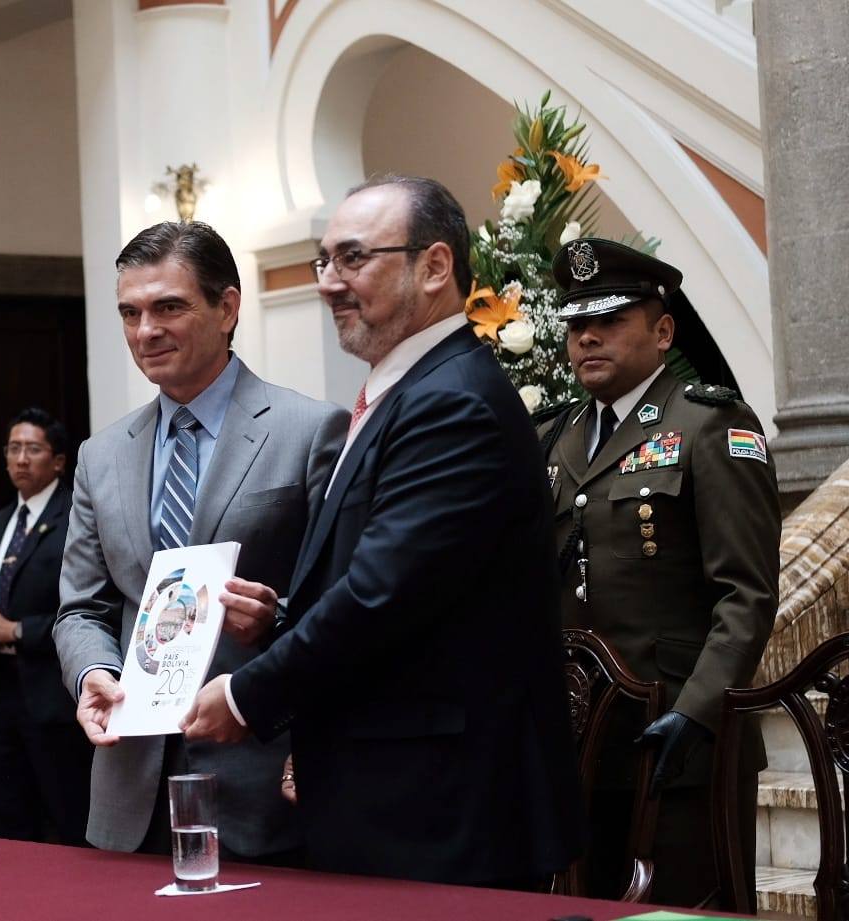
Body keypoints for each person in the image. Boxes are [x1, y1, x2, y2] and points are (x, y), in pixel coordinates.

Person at [181, 175, 584, 888]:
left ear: (434, 266)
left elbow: (380, 596)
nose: (329, 283)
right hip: (391, 795)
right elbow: (407, 581)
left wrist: (247, 695)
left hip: (438, 809)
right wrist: (279, 618)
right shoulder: (408, 391)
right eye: (324, 261)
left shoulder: (450, 402)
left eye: (354, 258)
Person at [51, 220, 348, 862]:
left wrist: (275, 618)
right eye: (129, 313)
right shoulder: (100, 455)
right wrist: (93, 674)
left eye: (169, 307)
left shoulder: (309, 431)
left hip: (259, 775)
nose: (145, 331)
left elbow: (340, 601)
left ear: (228, 307)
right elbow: (81, 607)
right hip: (131, 786)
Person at [538, 237, 780, 906]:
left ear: (662, 329)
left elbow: (747, 594)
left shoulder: (709, 424)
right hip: (583, 740)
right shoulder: (554, 437)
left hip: (682, 738)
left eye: (610, 321)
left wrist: (698, 712)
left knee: (686, 906)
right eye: (577, 325)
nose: (589, 338)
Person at [0, 407, 91, 843]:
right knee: (9, 823)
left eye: (33, 449)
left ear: (57, 461)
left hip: (50, 695)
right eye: (13, 449)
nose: (20, 459)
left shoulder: (75, 515)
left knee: (66, 817)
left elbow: (88, 606)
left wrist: (15, 632)